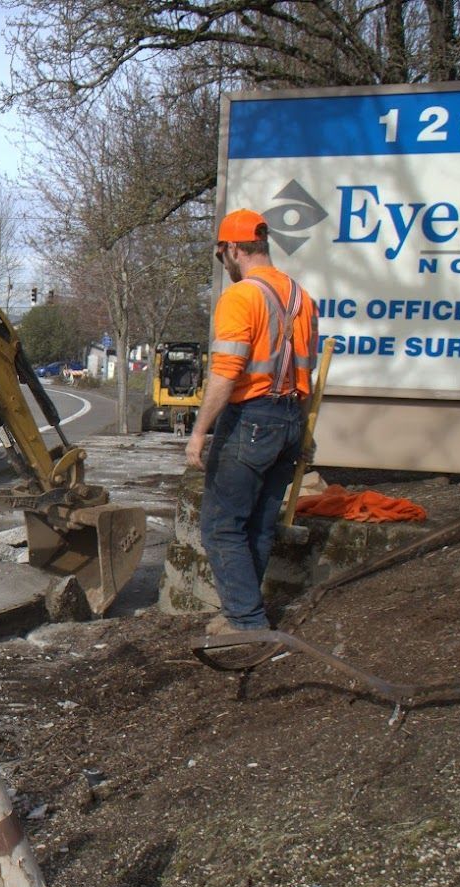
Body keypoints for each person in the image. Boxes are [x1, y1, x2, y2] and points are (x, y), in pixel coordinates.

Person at [185, 208, 318, 638]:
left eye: (222, 253)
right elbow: (306, 373)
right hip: (290, 420)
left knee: (221, 526)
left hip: (252, 420)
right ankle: (247, 613)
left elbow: (227, 372)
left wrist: (200, 432)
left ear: (234, 249)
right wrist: (304, 430)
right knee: (259, 523)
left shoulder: (242, 297)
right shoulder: (302, 298)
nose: (223, 262)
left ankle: (245, 622)